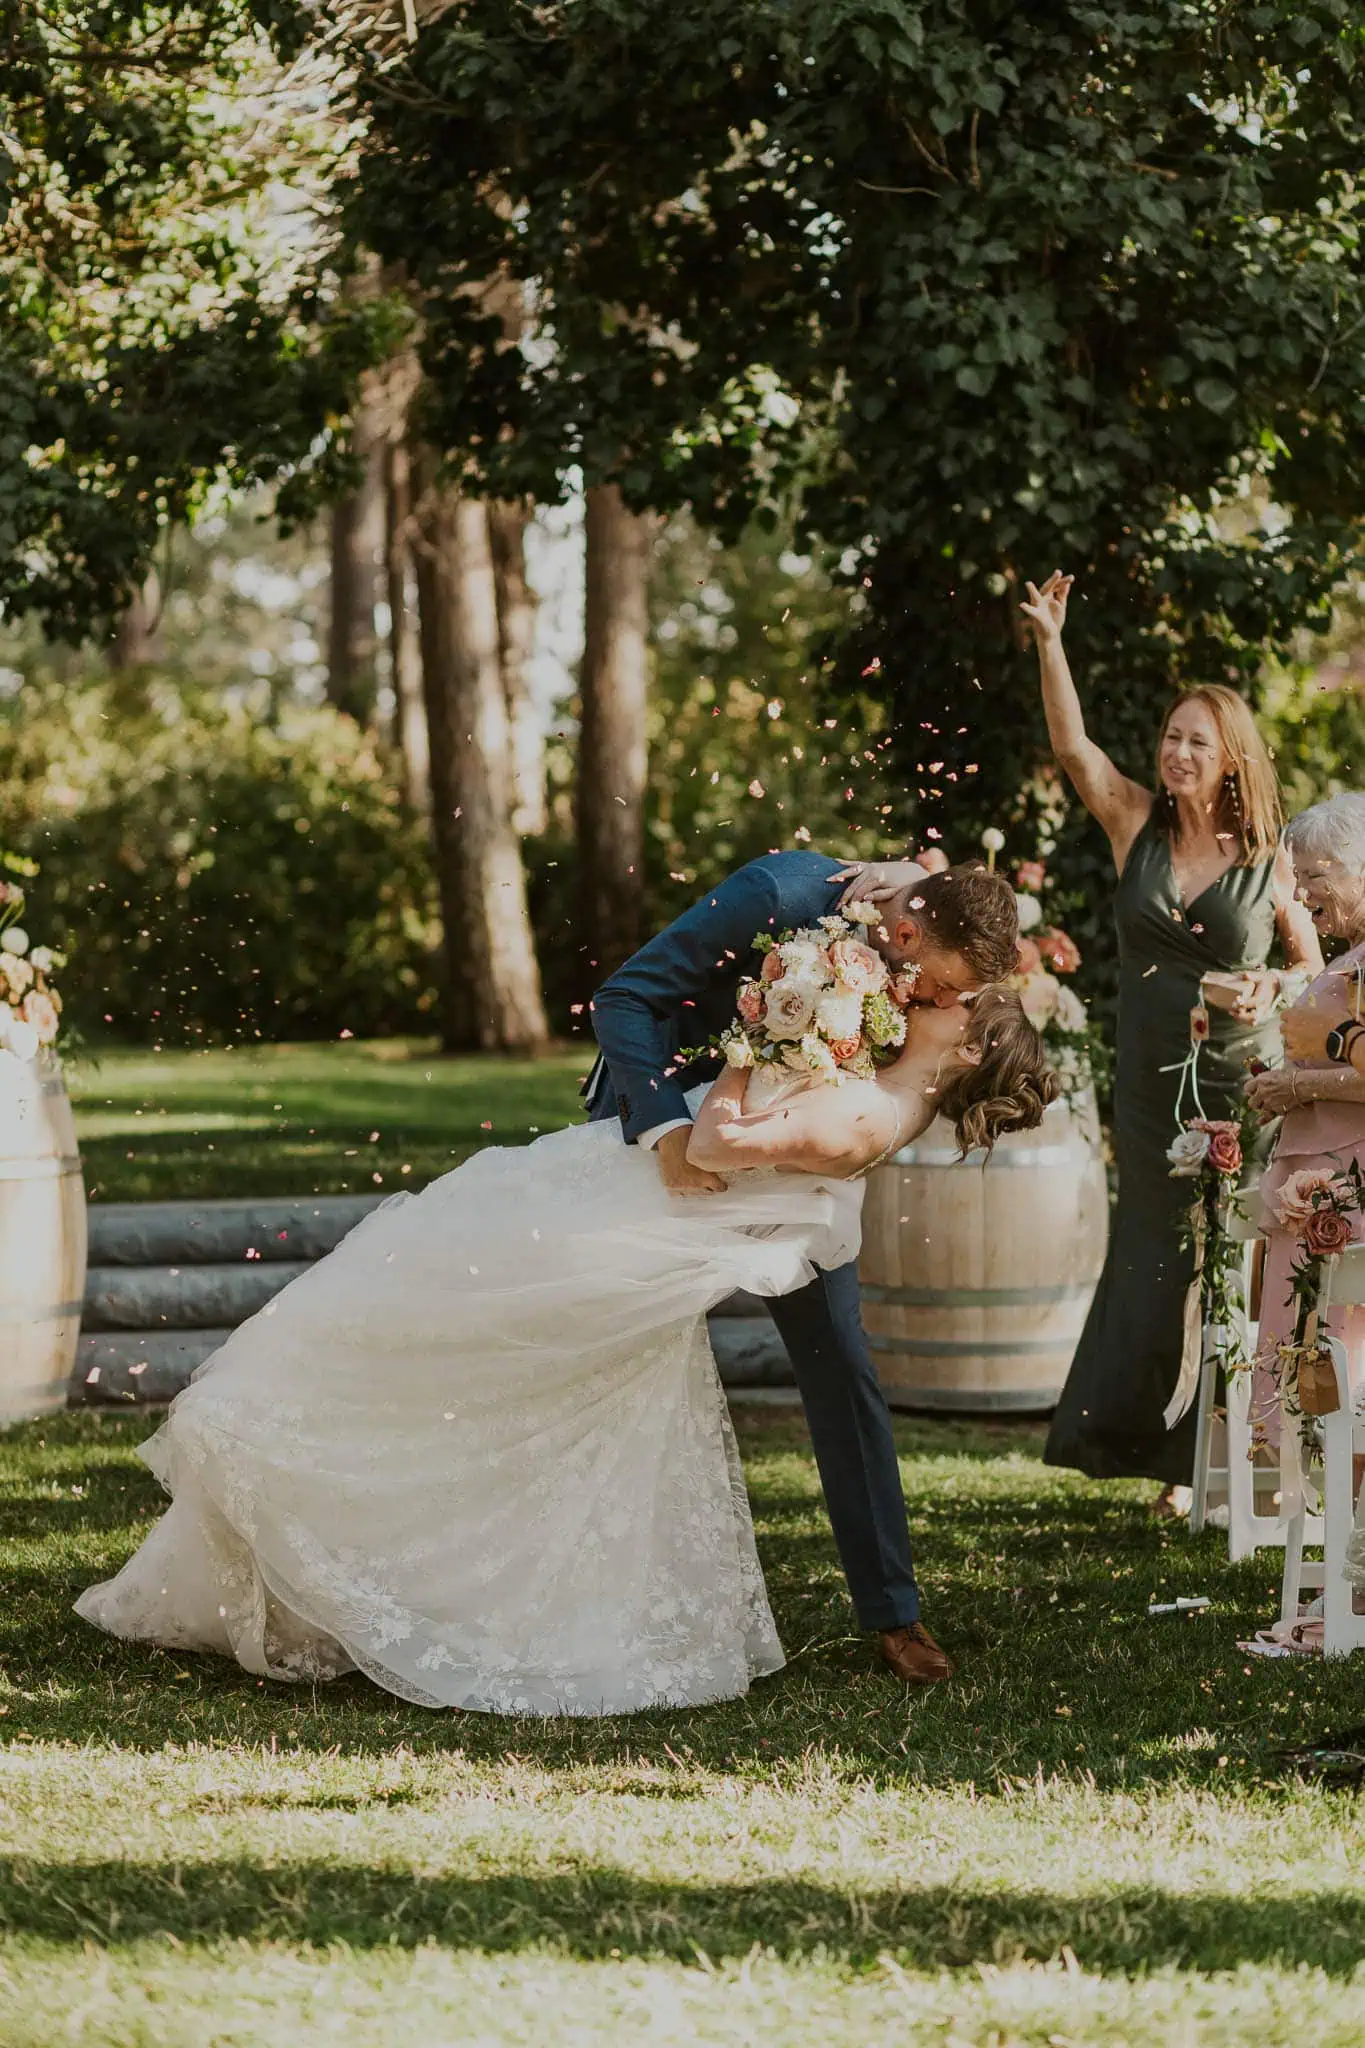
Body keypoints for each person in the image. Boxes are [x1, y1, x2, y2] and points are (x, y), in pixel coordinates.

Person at [77, 951, 1052, 1717]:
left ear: (966, 1051)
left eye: (964, 1005)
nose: (943, 993)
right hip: (607, 1196)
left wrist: (754, 1041)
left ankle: (368, 1552)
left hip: (618, 1221)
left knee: (432, 1322)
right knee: (438, 1313)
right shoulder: (879, 1085)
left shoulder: (860, 1115)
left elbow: (712, 1145)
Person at [585, 849, 1022, 1684]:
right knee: (612, 1346)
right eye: (936, 984)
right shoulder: (773, 895)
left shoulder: (919, 922)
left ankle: (893, 1614)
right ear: (900, 934)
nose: (934, 1002)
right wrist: (665, 1139)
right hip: (668, 1131)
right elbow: (625, 998)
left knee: (841, 1368)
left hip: (789, 1172)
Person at [1021, 571, 1321, 1513]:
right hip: (1150, 1080)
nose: (1176, 751)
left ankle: (1222, 1456)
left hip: (1245, 1079)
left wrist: (1269, 982)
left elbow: (1312, 970)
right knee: (1156, 1259)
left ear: (1229, 757)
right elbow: (1072, 747)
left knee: (1239, 1258)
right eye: (1169, 737)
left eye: (1196, 740)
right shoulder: (1133, 824)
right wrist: (1049, 640)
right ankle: (1146, 1449)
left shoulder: (1269, 855)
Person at [1244, 795, 1365, 1527]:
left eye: (1316, 874)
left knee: (1344, 1359)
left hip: (1345, 1184)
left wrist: (1295, 1084)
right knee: (1321, 1366)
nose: (1302, 893)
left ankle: (1349, 1558)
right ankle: (1342, 1548)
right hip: (1316, 1178)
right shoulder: (1349, 957)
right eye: (1298, 876)